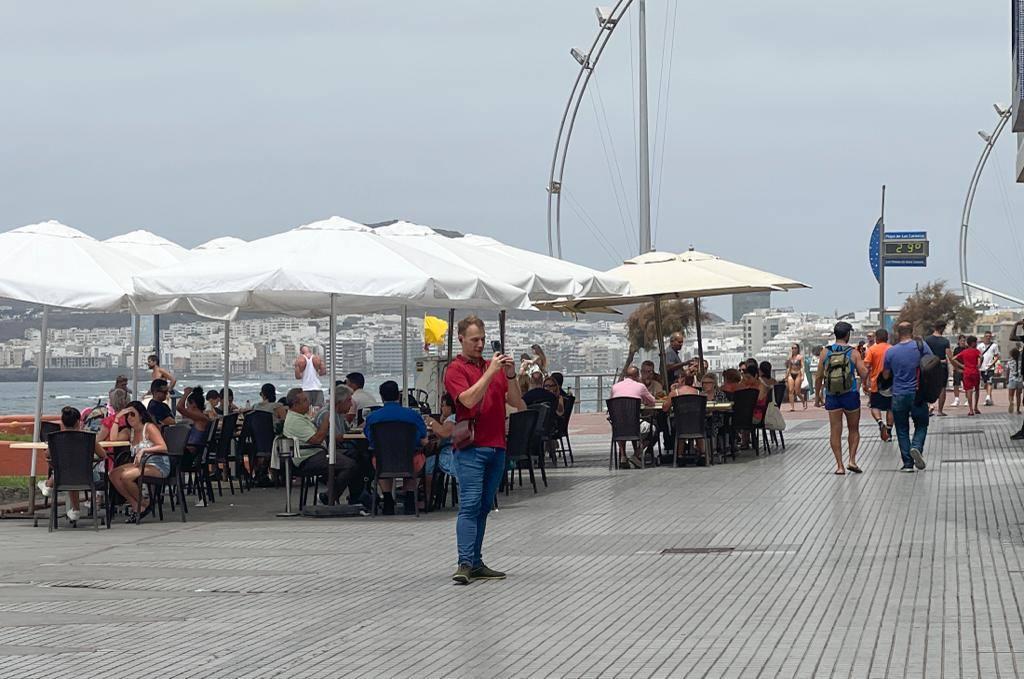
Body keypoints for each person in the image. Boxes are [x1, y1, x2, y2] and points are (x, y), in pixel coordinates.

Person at [443, 314, 525, 585]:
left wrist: (509, 375)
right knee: (469, 504)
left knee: (483, 506)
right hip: (471, 448)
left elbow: (516, 403)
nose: (479, 344)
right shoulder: (455, 369)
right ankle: (465, 562)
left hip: (496, 446)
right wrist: (490, 373)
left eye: (482, 339)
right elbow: (467, 399)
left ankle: (476, 561)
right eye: (474, 339)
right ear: (461, 339)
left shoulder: (495, 367)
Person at [282, 388, 361, 506]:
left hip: (317, 453)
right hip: (308, 458)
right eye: (305, 401)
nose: (308, 403)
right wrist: (326, 421)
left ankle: (357, 496)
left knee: (357, 456)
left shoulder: (301, 417)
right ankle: (329, 497)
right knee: (349, 465)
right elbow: (317, 439)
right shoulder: (295, 421)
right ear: (295, 404)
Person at [363, 381, 429, 514]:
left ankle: (387, 500)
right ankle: (410, 499)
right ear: (398, 396)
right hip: (410, 460)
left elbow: (370, 439)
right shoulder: (413, 415)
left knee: (381, 457)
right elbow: (424, 440)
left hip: (382, 461)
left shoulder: (372, 417)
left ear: (381, 397)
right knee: (416, 456)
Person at [36, 406, 109, 523]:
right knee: (75, 471)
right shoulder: (89, 438)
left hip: (63, 477)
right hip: (87, 476)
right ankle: (75, 510)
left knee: (68, 472)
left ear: (63, 422)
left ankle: (49, 485)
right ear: (78, 421)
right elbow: (103, 455)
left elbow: (48, 454)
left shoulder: (56, 439)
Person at [815, 321, 869, 475]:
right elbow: (864, 373)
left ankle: (839, 465)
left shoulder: (825, 352)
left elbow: (818, 377)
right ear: (848, 335)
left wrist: (818, 397)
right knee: (853, 428)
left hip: (832, 395)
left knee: (835, 430)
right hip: (850, 394)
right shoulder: (853, 353)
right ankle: (852, 460)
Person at [107, 401, 169, 521]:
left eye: (132, 414)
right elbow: (113, 439)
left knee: (125, 476)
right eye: (127, 415)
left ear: (140, 415)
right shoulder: (129, 431)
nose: (130, 418)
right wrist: (117, 418)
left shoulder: (149, 427)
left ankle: (144, 504)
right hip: (141, 464)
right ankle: (138, 505)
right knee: (113, 474)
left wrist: (145, 450)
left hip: (157, 463)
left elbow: (163, 447)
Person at [883, 322, 931, 472]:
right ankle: (916, 446)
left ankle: (908, 464)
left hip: (898, 394)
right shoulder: (921, 346)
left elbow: (885, 374)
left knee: (902, 429)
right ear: (912, 331)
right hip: (917, 393)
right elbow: (931, 363)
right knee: (922, 424)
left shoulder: (891, 351)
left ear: (898, 333)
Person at [609, 365, 657, 468]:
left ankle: (623, 456)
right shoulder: (640, 386)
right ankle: (637, 454)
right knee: (653, 428)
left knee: (620, 425)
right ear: (637, 376)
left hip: (618, 427)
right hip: (635, 426)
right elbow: (652, 401)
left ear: (626, 376)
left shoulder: (615, 387)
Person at [424, 393, 457, 502]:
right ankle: (436, 493)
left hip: (449, 455)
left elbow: (444, 433)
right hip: (453, 452)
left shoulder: (452, 419)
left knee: (428, 464)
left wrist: (432, 421)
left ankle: (428, 496)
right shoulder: (455, 418)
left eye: (443, 405)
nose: (441, 408)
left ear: (450, 407)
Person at [863, 328, 893, 442]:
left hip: (876, 383)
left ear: (877, 338)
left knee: (874, 406)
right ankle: (889, 432)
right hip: (890, 384)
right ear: (887, 337)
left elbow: (866, 367)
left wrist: (864, 383)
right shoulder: (892, 349)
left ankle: (880, 423)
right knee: (891, 408)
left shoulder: (872, 350)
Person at [924, 321, 954, 416]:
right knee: (942, 388)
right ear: (942, 328)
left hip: (929, 366)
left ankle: (929, 407)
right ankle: (940, 411)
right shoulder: (945, 341)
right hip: (942, 366)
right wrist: (956, 366)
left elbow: (924, 354)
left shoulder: (927, 340)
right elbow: (950, 356)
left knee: (927, 386)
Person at [977, 330, 1000, 407]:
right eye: (986, 336)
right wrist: (978, 365)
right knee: (986, 383)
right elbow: (978, 356)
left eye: (989, 337)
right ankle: (989, 398)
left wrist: (992, 364)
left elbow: (997, 356)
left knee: (989, 382)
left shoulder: (994, 346)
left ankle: (988, 397)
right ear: (984, 337)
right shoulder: (980, 346)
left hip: (990, 367)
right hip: (982, 368)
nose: (988, 338)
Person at [785, 344, 806, 412]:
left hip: (798, 374)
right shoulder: (790, 357)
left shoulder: (800, 357)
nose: (794, 349)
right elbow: (788, 367)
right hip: (791, 374)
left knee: (797, 392)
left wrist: (802, 375)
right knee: (791, 390)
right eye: (793, 348)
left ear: (798, 349)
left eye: (795, 348)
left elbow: (802, 366)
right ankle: (792, 407)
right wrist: (786, 375)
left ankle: (803, 400)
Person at [951, 335, 967, 407]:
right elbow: (953, 359)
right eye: (961, 341)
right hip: (957, 369)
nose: (963, 342)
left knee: (967, 385)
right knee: (956, 384)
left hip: (966, 369)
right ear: (959, 341)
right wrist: (956, 368)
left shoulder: (967, 349)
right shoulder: (956, 349)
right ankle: (956, 399)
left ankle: (967, 399)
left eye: (964, 340)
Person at [1006, 346, 1023, 414]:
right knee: (1018, 396)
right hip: (1019, 380)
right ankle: (1018, 409)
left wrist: (1007, 379)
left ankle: (1011, 402)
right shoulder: (1021, 362)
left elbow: (1007, 371)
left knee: (1011, 395)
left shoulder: (1009, 362)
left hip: (1012, 379)